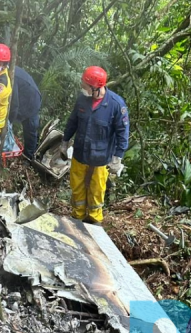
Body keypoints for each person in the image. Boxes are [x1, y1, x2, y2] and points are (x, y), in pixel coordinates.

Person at [60, 66, 129, 224]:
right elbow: (73, 122)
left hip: (100, 159)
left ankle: (94, 222)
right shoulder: (82, 100)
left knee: (96, 193)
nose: (82, 88)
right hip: (79, 154)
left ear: (96, 87)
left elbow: (122, 133)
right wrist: (65, 141)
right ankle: (77, 219)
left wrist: (118, 157)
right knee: (77, 189)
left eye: (85, 85)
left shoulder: (116, 105)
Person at [8, 66, 42, 160]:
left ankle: (29, 157)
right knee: (31, 129)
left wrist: (9, 122)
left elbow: (14, 104)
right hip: (27, 96)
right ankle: (33, 149)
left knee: (30, 129)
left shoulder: (12, 76)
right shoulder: (10, 70)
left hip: (31, 102)